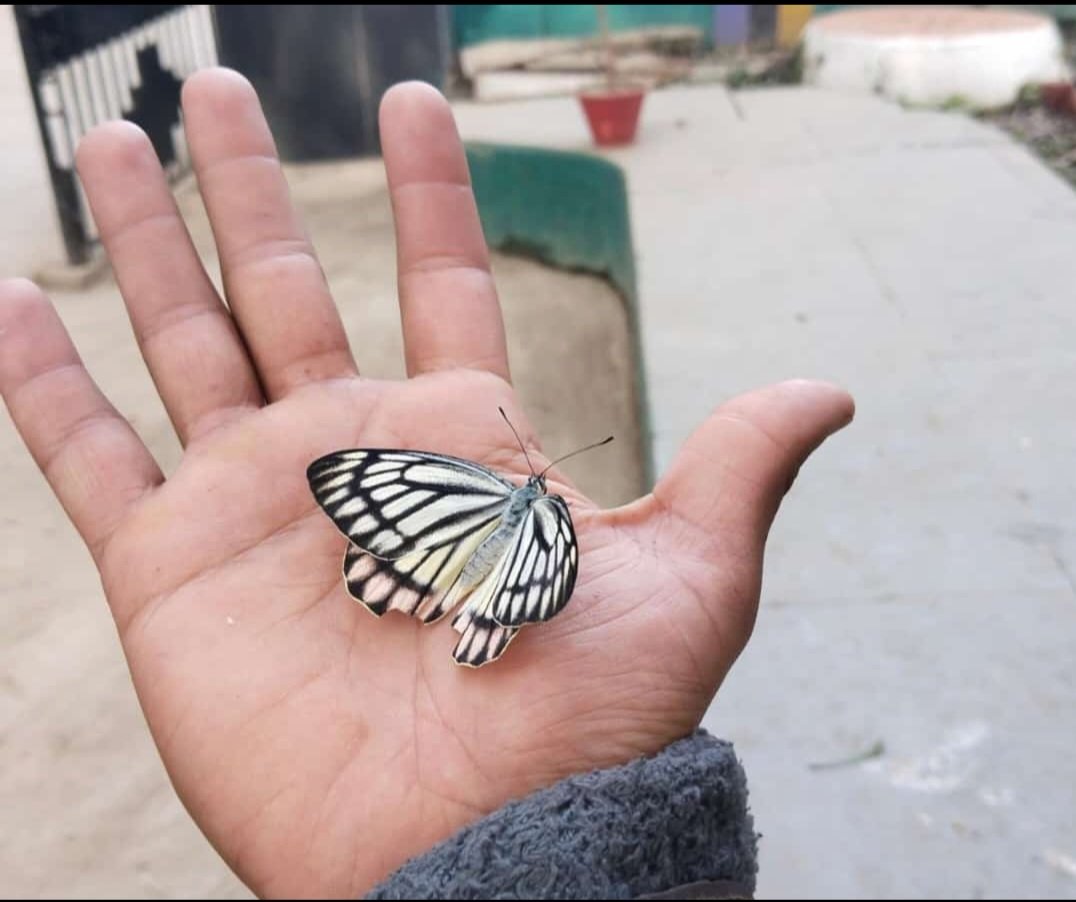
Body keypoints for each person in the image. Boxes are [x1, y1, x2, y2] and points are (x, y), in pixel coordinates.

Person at [0, 69, 853, 899]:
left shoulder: (500, 506)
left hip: (453, 581)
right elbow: (530, 560)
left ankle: (424, 589)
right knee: (464, 556)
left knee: (434, 548)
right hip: (494, 601)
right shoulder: (543, 524)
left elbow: (480, 540)